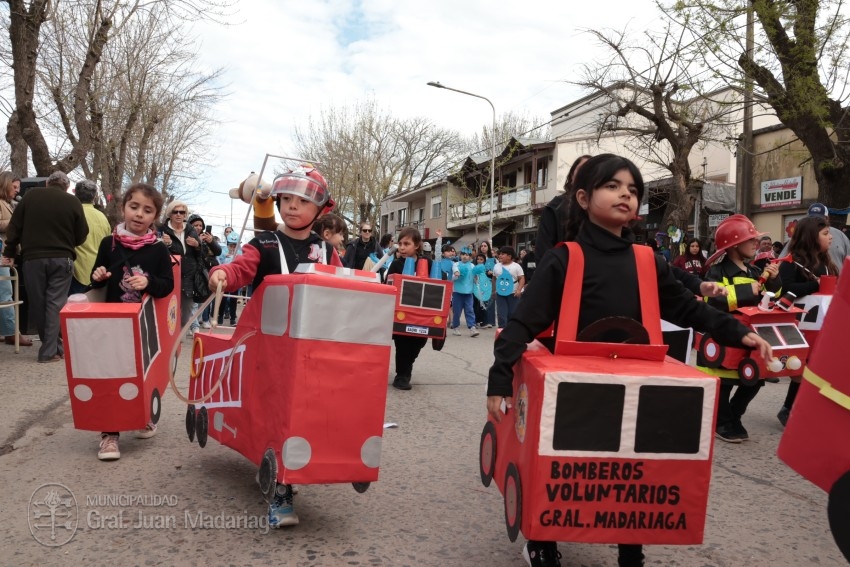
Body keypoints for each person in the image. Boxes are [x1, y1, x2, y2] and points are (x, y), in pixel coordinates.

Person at [486, 154, 773, 567]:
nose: (625, 195)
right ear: (583, 198)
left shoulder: (647, 260)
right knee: (563, 463)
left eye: (633, 190)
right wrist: (499, 380)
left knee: (632, 468)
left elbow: (688, 308)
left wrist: (739, 332)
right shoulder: (564, 258)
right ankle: (543, 541)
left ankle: (631, 549)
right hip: (575, 388)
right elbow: (523, 323)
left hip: (634, 386)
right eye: (613, 186)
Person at [208, 166, 340, 529]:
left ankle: (307, 466)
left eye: (303, 201)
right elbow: (240, 268)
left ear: (320, 209)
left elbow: (345, 287)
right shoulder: (263, 244)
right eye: (287, 199)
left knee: (311, 412)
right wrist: (222, 274)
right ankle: (282, 489)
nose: (293, 206)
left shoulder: (327, 251)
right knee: (281, 414)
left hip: (315, 349)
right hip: (270, 349)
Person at [88, 183, 174, 460]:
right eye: (134, 206)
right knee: (110, 375)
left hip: (144, 325)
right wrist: (98, 276)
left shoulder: (158, 249)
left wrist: (148, 282)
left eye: (147, 210)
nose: (139, 214)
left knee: (142, 375)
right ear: (123, 207)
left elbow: (167, 285)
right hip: (111, 324)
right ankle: (109, 435)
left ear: (155, 216)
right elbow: (95, 278)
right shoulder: (108, 243)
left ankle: (142, 415)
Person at [703, 214, 782, 443]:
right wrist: (748, 292)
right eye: (751, 239)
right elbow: (712, 301)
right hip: (725, 335)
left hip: (751, 336)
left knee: (754, 380)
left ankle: (734, 416)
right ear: (734, 244)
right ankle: (722, 422)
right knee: (725, 382)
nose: (756, 243)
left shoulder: (755, 272)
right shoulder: (717, 272)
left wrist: (774, 281)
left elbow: (773, 298)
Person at [1, 171, 88, 362]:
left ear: (47, 183)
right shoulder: (73, 202)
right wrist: (67, 242)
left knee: (39, 303)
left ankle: (52, 348)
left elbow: (14, 227)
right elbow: (82, 234)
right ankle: (50, 351)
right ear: (66, 187)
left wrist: (9, 252)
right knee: (55, 304)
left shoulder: (30, 196)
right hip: (62, 258)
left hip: (33, 259)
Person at [775, 215, 838, 426]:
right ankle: (788, 409)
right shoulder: (791, 262)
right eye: (825, 233)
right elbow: (785, 288)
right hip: (800, 324)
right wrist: (816, 285)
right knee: (802, 368)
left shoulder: (827, 262)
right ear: (811, 236)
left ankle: (805, 408)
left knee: (818, 368)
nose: (830, 237)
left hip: (823, 325)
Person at [386, 227, 432, 390]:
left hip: (423, 313)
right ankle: (402, 376)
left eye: (407, 244)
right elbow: (387, 284)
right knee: (403, 343)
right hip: (402, 312)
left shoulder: (427, 263)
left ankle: (407, 366)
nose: (402, 247)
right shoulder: (396, 264)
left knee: (418, 342)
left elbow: (439, 282)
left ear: (417, 245)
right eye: (400, 244)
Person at [535, 154, 592, 259]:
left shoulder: (604, 208)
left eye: (591, 170)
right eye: (582, 169)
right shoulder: (555, 207)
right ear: (571, 176)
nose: (585, 173)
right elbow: (543, 250)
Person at [0, 171, 32, 346]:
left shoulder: (8, 203)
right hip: (2, 253)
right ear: (5, 185)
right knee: (6, 293)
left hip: (6, 252)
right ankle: (12, 332)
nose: (17, 191)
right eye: (14, 187)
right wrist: (15, 223)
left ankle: (6, 331)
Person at [160, 201, 202, 331]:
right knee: (169, 309)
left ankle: (179, 333)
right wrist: (166, 245)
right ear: (170, 214)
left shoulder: (190, 229)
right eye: (175, 212)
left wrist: (197, 245)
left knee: (187, 311)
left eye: (182, 212)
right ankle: (172, 337)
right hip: (170, 275)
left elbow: (200, 253)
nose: (178, 214)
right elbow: (157, 252)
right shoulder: (162, 230)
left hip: (189, 277)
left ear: (185, 215)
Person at [70, 180, 111, 296]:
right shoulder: (102, 217)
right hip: (99, 272)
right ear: (94, 196)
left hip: (77, 271)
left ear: (75, 193)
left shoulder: (72, 213)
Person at [187, 214, 221, 331]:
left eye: (200, 225)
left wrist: (211, 242)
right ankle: (194, 327)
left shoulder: (206, 238)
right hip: (191, 274)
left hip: (204, 273)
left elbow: (218, 252)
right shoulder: (187, 237)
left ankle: (193, 324)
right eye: (195, 225)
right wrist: (198, 243)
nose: (198, 227)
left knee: (203, 301)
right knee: (193, 303)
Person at [450, 247, 484, 337]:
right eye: (463, 254)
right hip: (457, 292)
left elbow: (475, 279)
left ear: (470, 257)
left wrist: (476, 279)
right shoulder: (456, 264)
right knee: (457, 311)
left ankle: (472, 327)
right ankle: (456, 327)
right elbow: (453, 275)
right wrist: (457, 274)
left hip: (469, 293)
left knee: (470, 310)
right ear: (460, 255)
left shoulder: (472, 266)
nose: (465, 256)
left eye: (467, 255)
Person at [493, 246, 524, 329]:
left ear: (509, 256)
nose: (500, 256)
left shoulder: (516, 266)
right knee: (501, 313)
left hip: (513, 294)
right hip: (500, 293)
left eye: (503, 254)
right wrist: (493, 290)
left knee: (512, 313)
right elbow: (494, 278)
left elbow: (521, 278)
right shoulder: (496, 266)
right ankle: (502, 330)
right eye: (499, 254)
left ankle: (511, 330)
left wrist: (519, 290)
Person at [216, 231, 241, 326]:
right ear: (228, 244)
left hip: (235, 279)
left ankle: (233, 318)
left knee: (233, 299)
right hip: (224, 278)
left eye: (235, 245)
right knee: (222, 298)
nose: (233, 247)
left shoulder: (240, 253)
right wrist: (224, 257)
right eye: (231, 245)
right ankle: (220, 317)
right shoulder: (223, 252)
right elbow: (219, 263)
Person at [477, 240, 497, 327]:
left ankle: (491, 321)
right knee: (481, 301)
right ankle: (481, 320)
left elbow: (497, 270)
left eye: (485, 246)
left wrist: (492, 272)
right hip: (480, 282)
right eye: (482, 246)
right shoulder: (477, 259)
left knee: (491, 301)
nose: (483, 247)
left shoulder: (493, 260)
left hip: (491, 281)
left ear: (488, 247)